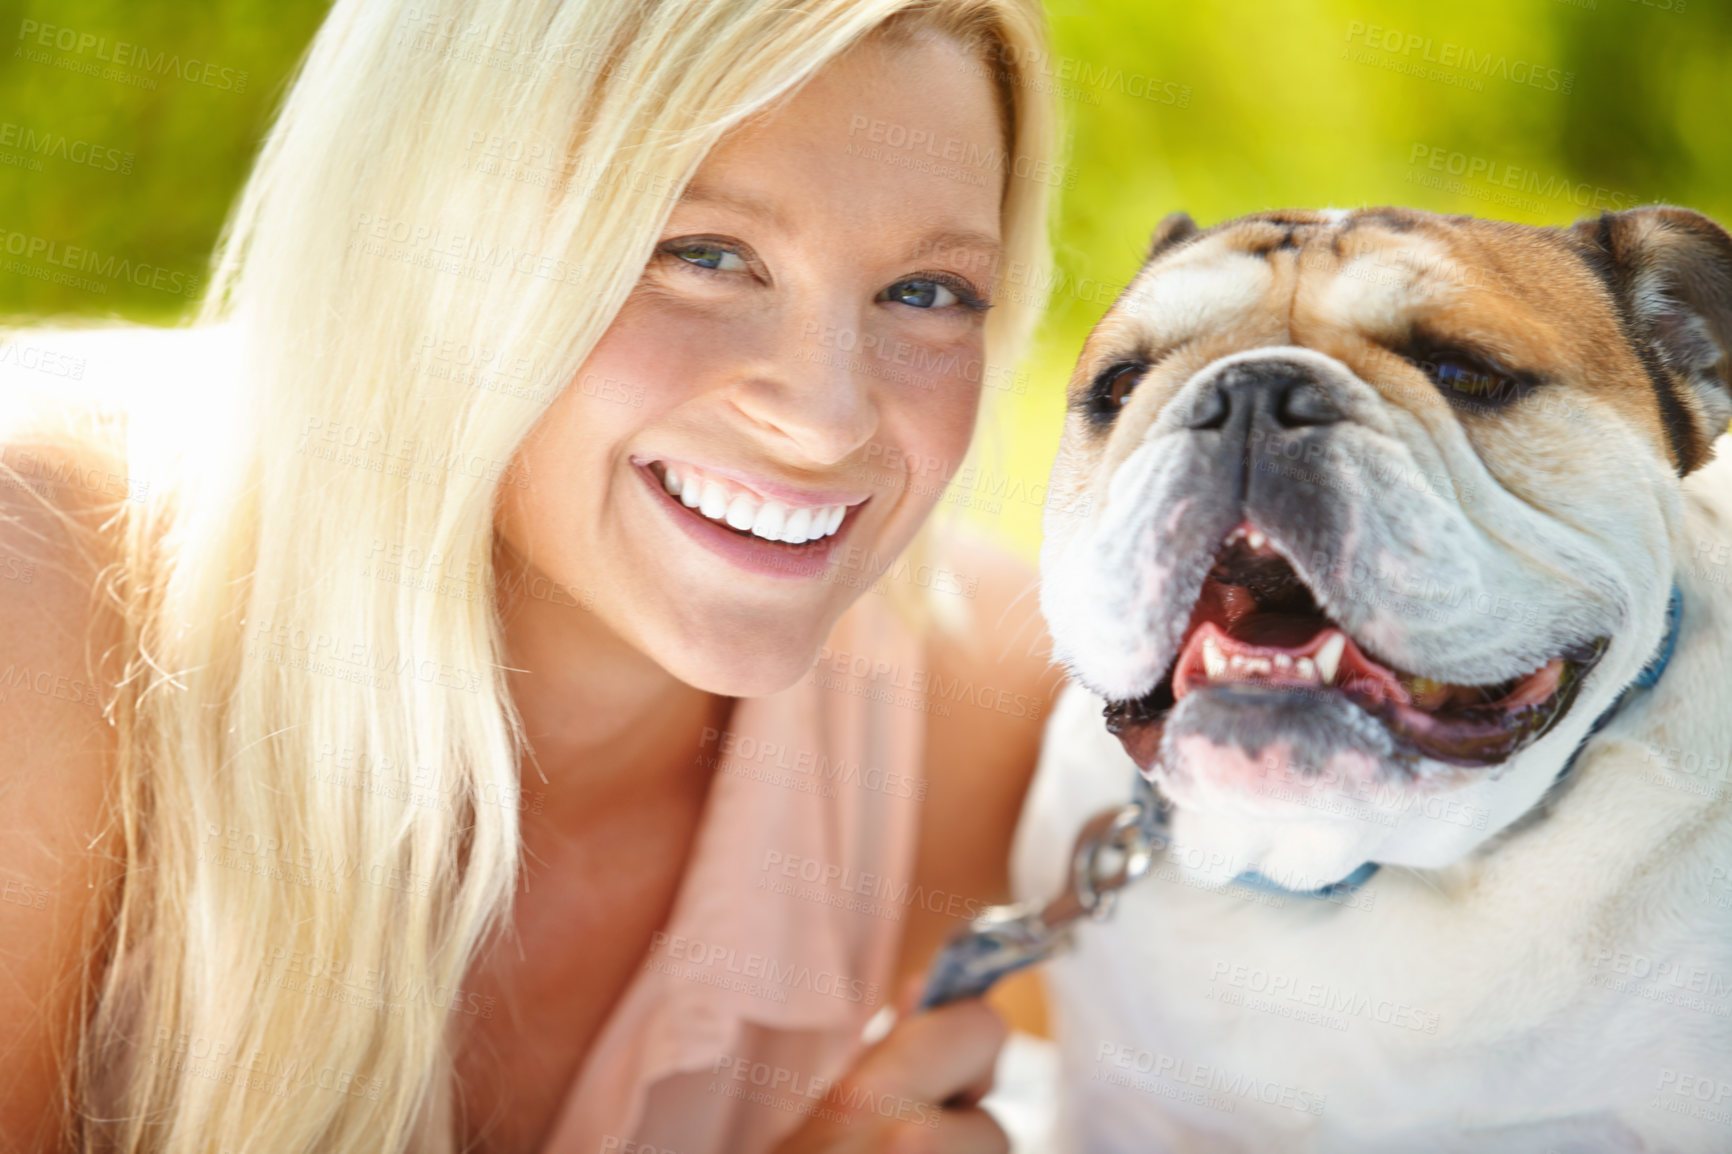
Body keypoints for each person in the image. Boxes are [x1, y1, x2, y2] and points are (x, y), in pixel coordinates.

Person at [0, 1, 1064, 1151]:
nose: (825, 418)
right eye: (702, 255)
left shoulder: (981, 708)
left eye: (925, 291)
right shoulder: (41, 586)